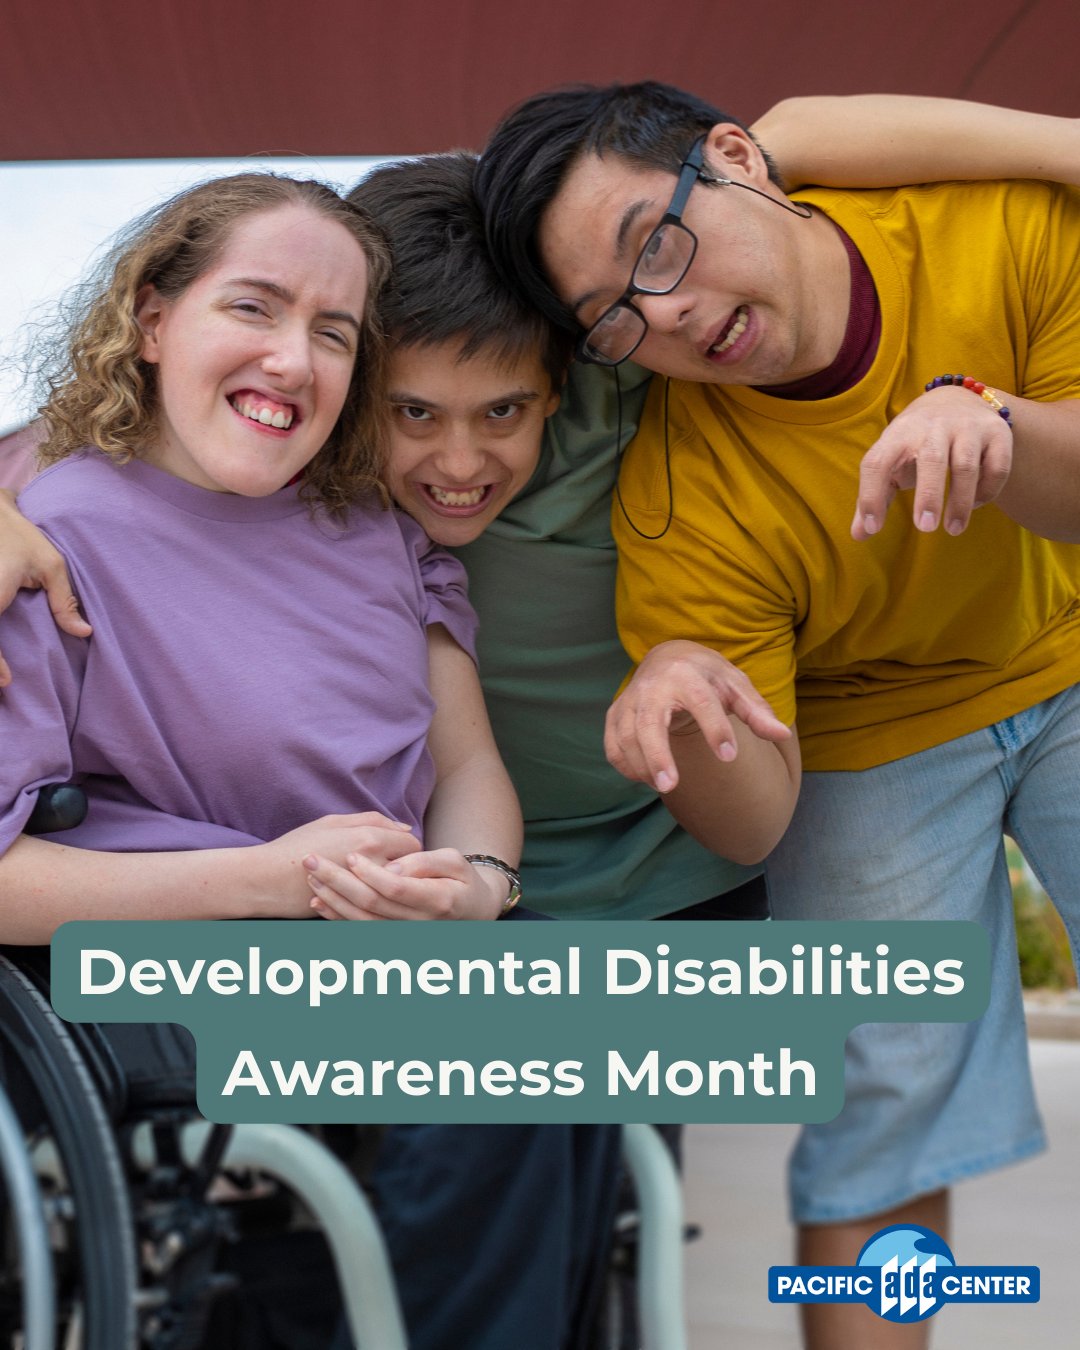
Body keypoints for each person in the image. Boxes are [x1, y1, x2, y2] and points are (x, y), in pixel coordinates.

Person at [3, 96, 1078, 1350]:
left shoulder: (604, 405)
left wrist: (482, 873)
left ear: (564, 384)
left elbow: (788, 138)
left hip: (593, 891)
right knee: (695, 1088)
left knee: (604, 1160)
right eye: (410, 411)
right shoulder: (125, 519)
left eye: (502, 412)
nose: (459, 458)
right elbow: (100, 456)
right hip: (316, 942)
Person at [475, 82, 1080, 1349]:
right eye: (615, 320)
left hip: (1072, 645)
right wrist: (688, 717)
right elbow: (755, 825)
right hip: (871, 733)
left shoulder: (997, 227)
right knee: (882, 1104)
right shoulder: (680, 495)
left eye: (658, 245)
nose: (671, 315)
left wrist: (998, 425)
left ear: (739, 159)